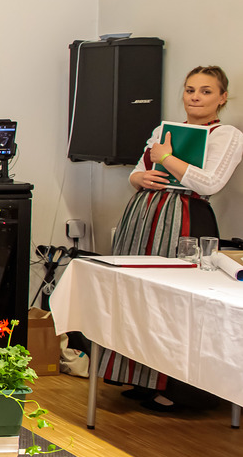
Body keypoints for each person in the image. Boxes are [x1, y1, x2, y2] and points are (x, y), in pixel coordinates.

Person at [97, 65, 241, 410]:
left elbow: (210, 183)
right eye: (190, 90)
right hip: (143, 214)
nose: (196, 97)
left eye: (206, 91)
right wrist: (139, 179)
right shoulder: (164, 129)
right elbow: (137, 171)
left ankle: (177, 388)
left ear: (222, 97)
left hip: (186, 217)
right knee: (136, 295)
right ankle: (142, 378)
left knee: (176, 301)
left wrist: (167, 158)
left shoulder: (227, 135)